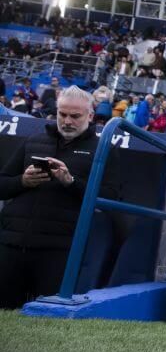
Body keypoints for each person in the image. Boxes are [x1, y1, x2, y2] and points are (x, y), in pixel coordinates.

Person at [0, 86, 118, 308]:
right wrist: (22, 181)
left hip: (59, 250)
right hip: (11, 243)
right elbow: (3, 184)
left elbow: (111, 198)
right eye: (62, 114)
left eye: (75, 116)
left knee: (45, 320)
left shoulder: (104, 149)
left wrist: (70, 182)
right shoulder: (33, 140)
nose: (67, 121)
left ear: (90, 116)